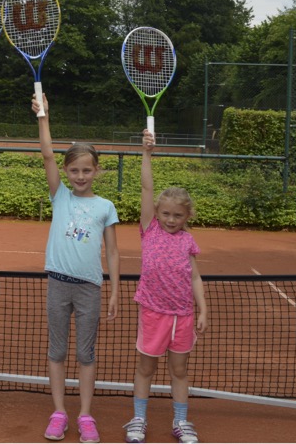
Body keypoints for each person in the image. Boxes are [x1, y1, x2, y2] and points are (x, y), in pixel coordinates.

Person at [35, 94, 120, 443]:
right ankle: (59, 413)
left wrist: (114, 289)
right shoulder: (60, 196)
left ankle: (85, 416)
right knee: (57, 351)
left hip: (90, 287)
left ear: (97, 170)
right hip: (58, 283)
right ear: (66, 172)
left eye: (87, 170)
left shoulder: (105, 206)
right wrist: (44, 116)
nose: (81, 175)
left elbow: (113, 252)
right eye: (74, 170)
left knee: (86, 354)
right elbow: (45, 154)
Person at [123, 129, 208, 444]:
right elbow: (147, 187)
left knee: (179, 370)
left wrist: (203, 309)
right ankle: (138, 419)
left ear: (187, 216)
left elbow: (195, 277)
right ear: (156, 213)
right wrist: (147, 153)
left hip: (183, 316)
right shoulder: (150, 229)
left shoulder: (188, 240)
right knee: (146, 368)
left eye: (178, 215)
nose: (171, 219)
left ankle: (181, 422)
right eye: (166, 213)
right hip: (153, 312)